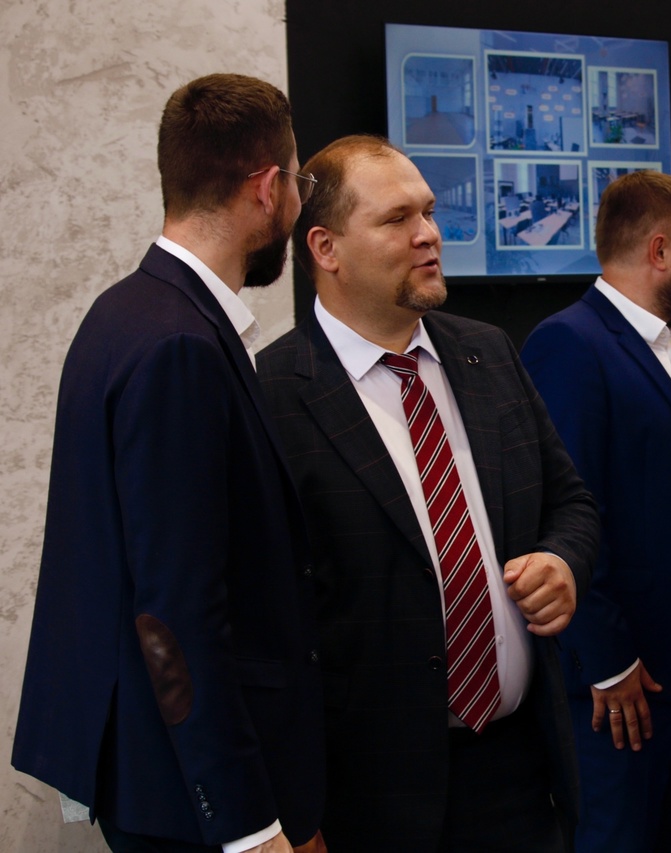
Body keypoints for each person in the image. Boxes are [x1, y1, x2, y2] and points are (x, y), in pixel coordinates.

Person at [255, 135, 599, 851]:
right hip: (367, 802)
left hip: (520, 774)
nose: (429, 235)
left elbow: (571, 502)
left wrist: (562, 561)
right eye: (397, 219)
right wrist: (287, 810)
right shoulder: (273, 395)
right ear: (325, 247)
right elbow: (259, 630)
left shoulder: (488, 352)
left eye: (430, 212)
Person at [11, 74, 325, 852]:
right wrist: (247, 824)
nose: (298, 202)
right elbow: (178, 610)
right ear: (266, 189)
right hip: (185, 790)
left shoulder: (124, 310)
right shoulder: (181, 344)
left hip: (152, 763)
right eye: (299, 183)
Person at [520, 171, 671, 852]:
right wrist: (608, 661)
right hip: (622, 695)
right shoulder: (570, 344)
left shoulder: (662, 351)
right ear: (660, 251)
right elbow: (564, 512)